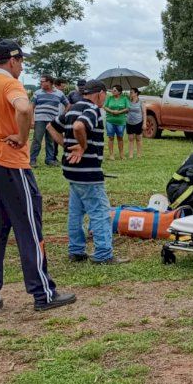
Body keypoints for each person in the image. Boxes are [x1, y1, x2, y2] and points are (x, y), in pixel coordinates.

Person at [0, 39, 75, 315]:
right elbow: (23, 108)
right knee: (29, 227)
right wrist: (20, 136)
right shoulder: (10, 84)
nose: (22, 67)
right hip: (11, 165)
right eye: (21, 62)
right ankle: (43, 293)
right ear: (12, 61)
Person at [48, 80, 129, 265]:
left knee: (75, 212)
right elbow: (78, 127)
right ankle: (103, 254)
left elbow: (51, 127)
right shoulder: (92, 110)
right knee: (100, 212)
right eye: (105, 95)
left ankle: (76, 250)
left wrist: (66, 146)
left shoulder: (73, 108)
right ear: (100, 93)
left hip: (72, 171)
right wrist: (82, 146)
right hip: (88, 172)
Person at [29, 74, 68, 167]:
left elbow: (68, 104)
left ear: (50, 82)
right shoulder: (37, 93)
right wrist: (32, 120)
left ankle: (49, 160)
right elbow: (31, 107)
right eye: (41, 81)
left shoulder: (59, 93)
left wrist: (63, 116)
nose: (40, 83)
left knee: (50, 141)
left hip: (52, 121)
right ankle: (32, 160)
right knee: (37, 140)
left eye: (43, 81)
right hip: (40, 120)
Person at [102, 84, 129, 161]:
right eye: (112, 90)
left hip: (121, 121)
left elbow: (128, 109)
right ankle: (111, 155)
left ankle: (121, 154)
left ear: (119, 92)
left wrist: (119, 112)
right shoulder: (109, 98)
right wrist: (112, 111)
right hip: (110, 120)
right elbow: (104, 107)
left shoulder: (124, 99)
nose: (113, 92)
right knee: (110, 137)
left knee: (120, 137)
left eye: (115, 90)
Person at [125, 88, 145, 159]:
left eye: (131, 92)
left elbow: (144, 113)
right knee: (130, 139)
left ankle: (139, 154)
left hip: (138, 122)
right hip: (129, 122)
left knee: (138, 138)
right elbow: (126, 111)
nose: (130, 94)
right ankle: (131, 154)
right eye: (130, 92)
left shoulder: (141, 102)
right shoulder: (127, 101)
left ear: (136, 93)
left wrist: (144, 123)